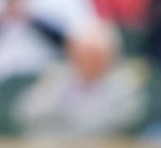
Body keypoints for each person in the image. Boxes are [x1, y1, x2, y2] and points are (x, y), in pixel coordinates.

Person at [12, 17, 147, 140]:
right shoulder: (56, 78)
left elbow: (123, 121)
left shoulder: (125, 86)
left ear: (108, 57)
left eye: (92, 55)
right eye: (80, 54)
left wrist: (62, 122)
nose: (85, 61)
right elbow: (26, 112)